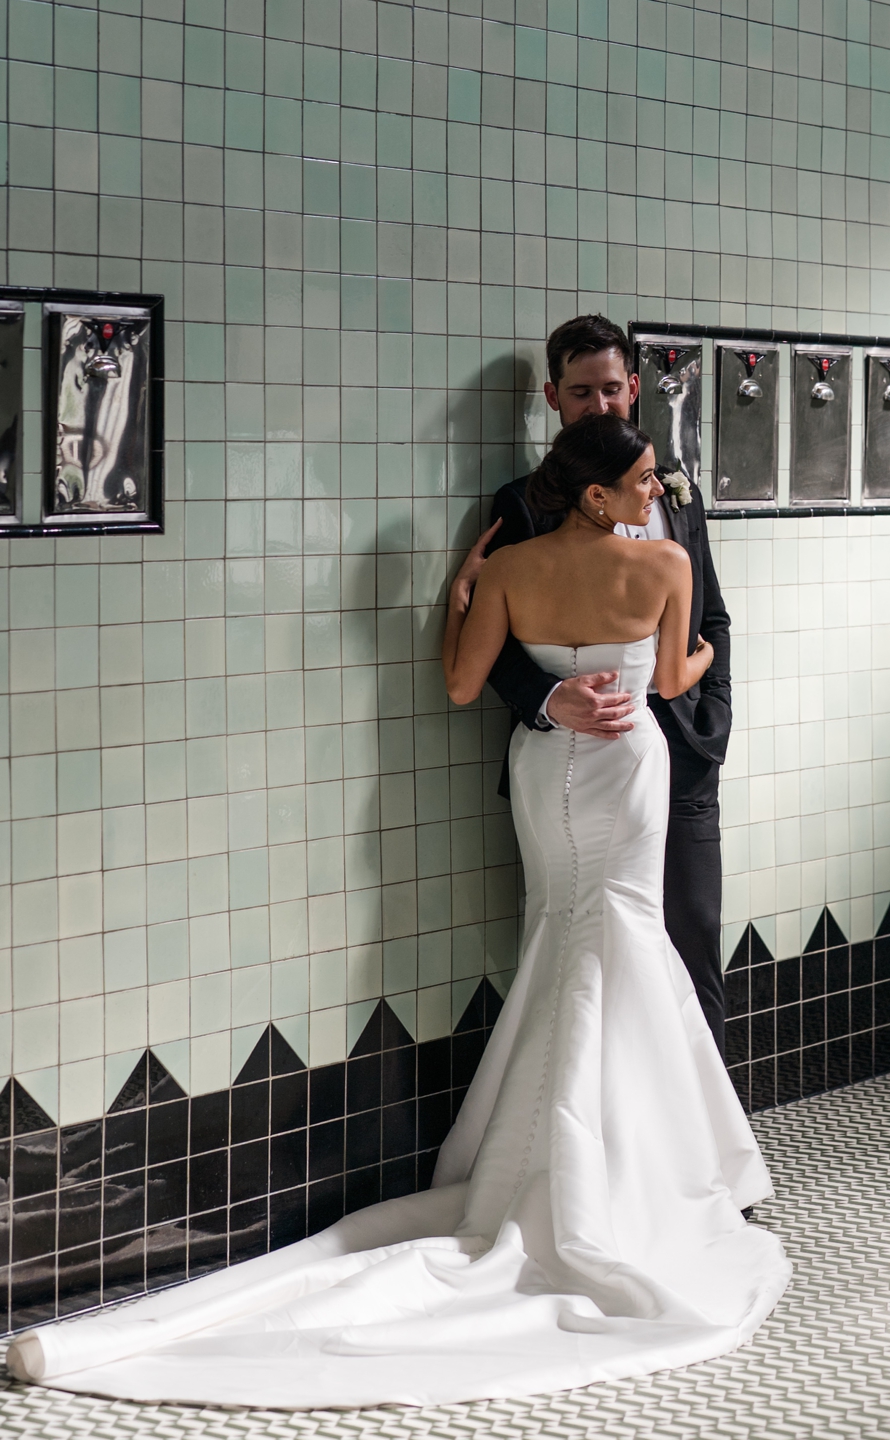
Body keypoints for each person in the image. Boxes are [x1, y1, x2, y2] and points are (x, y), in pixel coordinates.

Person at [5, 416, 788, 1409]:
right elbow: (677, 675)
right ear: (598, 494)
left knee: (564, 931)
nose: (655, 491)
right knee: (622, 936)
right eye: (640, 479)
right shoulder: (667, 562)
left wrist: (467, 607)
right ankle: (625, 1169)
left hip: (550, 772)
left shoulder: (511, 565)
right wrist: (693, 650)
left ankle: (552, 1154)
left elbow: (464, 682)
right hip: (629, 769)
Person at [486, 314, 733, 1053]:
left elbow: (713, 617)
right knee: (581, 936)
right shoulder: (523, 504)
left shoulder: (675, 491)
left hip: (677, 749)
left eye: (614, 390)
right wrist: (544, 698)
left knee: (691, 931)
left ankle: (702, 1126)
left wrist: (711, 714)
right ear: (553, 398)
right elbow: (490, 640)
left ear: (634, 388)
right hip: (570, 760)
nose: (602, 406)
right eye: (583, 392)